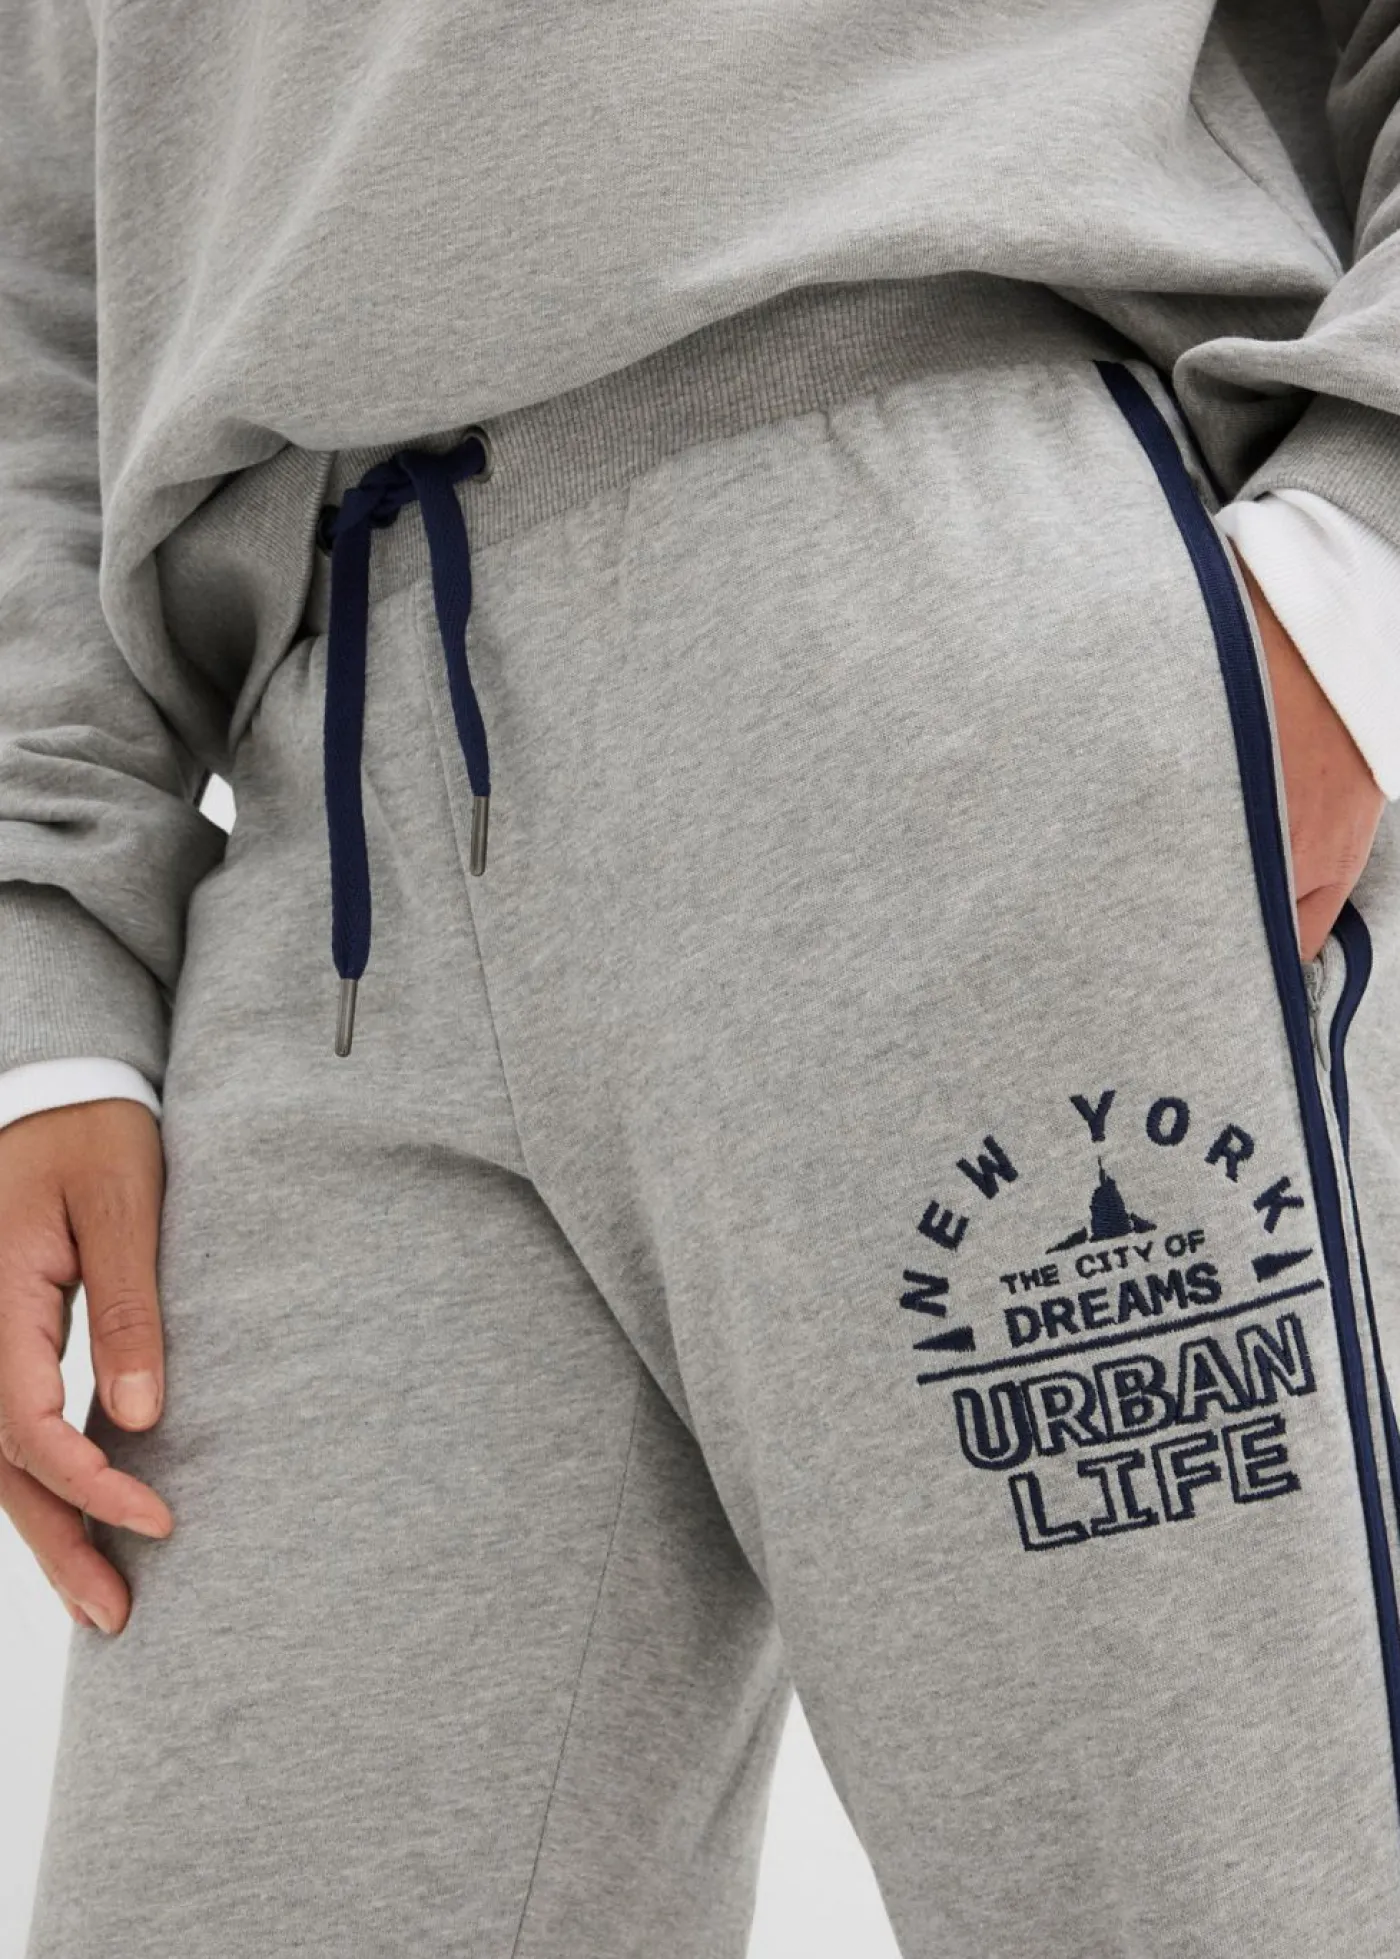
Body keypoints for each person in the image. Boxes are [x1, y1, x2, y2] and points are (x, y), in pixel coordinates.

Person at [2, 2, 1399, 1953]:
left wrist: (1359, 564)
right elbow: (42, 227)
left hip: (952, 581)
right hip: (325, 792)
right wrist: (46, 984)